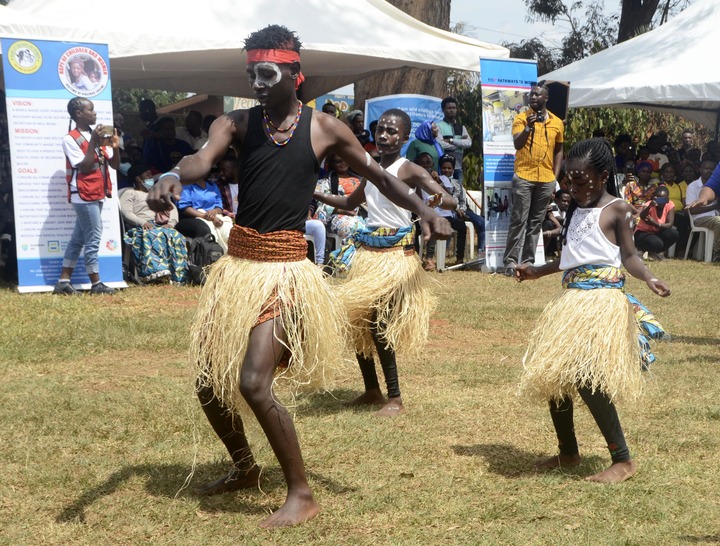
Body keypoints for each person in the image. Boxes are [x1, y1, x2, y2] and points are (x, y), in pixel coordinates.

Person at [146, 25, 451, 529]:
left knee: (253, 382)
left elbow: (379, 176)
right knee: (207, 381)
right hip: (238, 269)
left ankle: (302, 494)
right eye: (251, 73)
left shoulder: (325, 128)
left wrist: (425, 210)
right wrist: (171, 175)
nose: (257, 83)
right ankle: (245, 468)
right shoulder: (236, 122)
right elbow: (200, 158)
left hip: (285, 273)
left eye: (267, 73)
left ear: (294, 73)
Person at [516, 138, 670, 484]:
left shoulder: (618, 209)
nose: (575, 188)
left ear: (602, 176)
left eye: (582, 181)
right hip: (571, 300)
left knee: (588, 379)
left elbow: (629, 256)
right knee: (554, 374)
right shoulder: (575, 209)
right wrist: (536, 271)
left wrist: (649, 276)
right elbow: (571, 259)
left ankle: (623, 460)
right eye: (570, 182)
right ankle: (568, 452)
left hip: (601, 303)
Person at [314, 108, 456, 416]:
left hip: (395, 258)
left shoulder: (410, 170)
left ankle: (395, 398)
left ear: (404, 138)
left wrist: (433, 200)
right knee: (356, 320)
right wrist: (314, 194)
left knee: (380, 322)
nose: (384, 136)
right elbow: (349, 203)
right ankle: (371, 390)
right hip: (368, 255)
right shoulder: (371, 170)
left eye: (392, 131)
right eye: (380, 130)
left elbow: (450, 200)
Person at [54, 98, 119, 295]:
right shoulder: (70, 139)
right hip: (83, 194)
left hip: (97, 191)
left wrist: (116, 147)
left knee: (78, 238)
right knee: (93, 236)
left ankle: (63, 281)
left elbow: (115, 165)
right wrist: (92, 142)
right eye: (91, 110)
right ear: (79, 114)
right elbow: (83, 166)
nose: (95, 113)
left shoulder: (98, 136)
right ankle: (96, 283)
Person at [503, 81, 564, 277]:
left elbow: (559, 150)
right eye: (532, 94)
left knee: (535, 222)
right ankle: (510, 262)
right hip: (524, 176)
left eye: (537, 94)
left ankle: (527, 261)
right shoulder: (521, 118)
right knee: (519, 220)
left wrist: (555, 178)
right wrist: (528, 128)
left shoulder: (557, 122)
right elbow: (517, 144)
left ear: (546, 97)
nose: (533, 97)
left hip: (546, 178)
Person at [120, 164, 188, 283]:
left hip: (162, 225)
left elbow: (172, 209)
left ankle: (178, 274)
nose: (151, 178)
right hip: (141, 227)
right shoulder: (130, 193)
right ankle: (156, 272)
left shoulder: (157, 194)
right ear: (138, 179)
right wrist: (143, 222)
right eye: (148, 175)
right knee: (152, 235)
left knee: (176, 236)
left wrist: (171, 223)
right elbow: (126, 213)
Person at [438, 154, 486, 257]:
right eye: (444, 168)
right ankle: (444, 253)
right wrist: (455, 210)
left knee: (482, 223)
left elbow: (462, 201)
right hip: (446, 211)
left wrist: (462, 210)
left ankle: (481, 252)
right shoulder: (437, 182)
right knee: (453, 225)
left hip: (462, 210)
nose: (446, 170)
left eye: (449, 168)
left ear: (453, 169)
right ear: (440, 168)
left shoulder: (457, 183)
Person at [685, 160, 720, 261]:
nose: (709, 171)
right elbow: (692, 210)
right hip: (701, 219)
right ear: (700, 169)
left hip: (715, 216)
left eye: (711, 169)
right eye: (706, 168)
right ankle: (717, 251)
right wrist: (709, 203)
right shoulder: (693, 186)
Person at [634, 185, 679, 261]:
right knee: (657, 243)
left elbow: (669, 224)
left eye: (664, 198)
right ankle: (640, 250)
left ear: (668, 198)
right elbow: (642, 216)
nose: (662, 201)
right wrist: (650, 207)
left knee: (673, 233)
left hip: (656, 232)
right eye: (659, 198)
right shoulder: (649, 204)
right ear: (654, 197)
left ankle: (657, 253)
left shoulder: (670, 205)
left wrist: (655, 224)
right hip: (642, 233)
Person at [436, 97, 472, 183]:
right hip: (444, 169)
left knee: (458, 190)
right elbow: (440, 144)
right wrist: (460, 144)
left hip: (458, 168)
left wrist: (452, 141)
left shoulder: (461, 127)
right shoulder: (438, 126)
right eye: (449, 108)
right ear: (443, 110)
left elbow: (469, 143)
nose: (452, 110)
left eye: (454, 108)